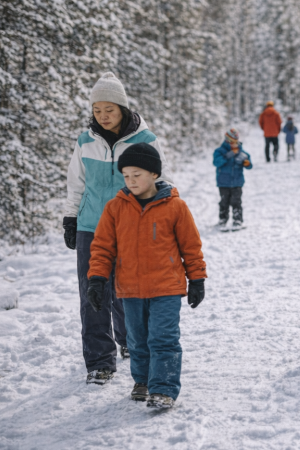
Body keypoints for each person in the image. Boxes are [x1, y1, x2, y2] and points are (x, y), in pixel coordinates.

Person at [62, 72, 173, 384]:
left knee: (129, 290)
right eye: (97, 110)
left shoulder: (145, 140)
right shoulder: (86, 141)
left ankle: (129, 340)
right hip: (91, 226)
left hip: (130, 227)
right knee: (92, 294)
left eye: (108, 110)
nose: (103, 116)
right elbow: (76, 183)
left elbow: (161, 181)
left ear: (122, 108)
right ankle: (99, 362)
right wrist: (71, 218)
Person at [87, 143, 207, 409]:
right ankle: (142, 381)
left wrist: (197, 279)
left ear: (154, 174)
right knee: (137, 340)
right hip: (130, 289)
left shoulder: (175, 207)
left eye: (137, 174)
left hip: (167, 287)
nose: (131, 181)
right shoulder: (115, 208)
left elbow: (191, 246)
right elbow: (102, 247)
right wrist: (97, 279)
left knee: (163, 338)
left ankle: (163, 388)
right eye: (126, 175)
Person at [213, 128, 253, 231]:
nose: (234, 144)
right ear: (227, 140)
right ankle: (223, 220)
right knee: (224, 202)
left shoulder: (241, 152)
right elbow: (216, 162)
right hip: (223, 183)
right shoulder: (219, 151)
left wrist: (247, 163)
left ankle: (237, 220)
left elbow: (249, 165)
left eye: (236, 142)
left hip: (237, 182)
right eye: (232, 142)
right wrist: (227, 156)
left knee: (236, 202)